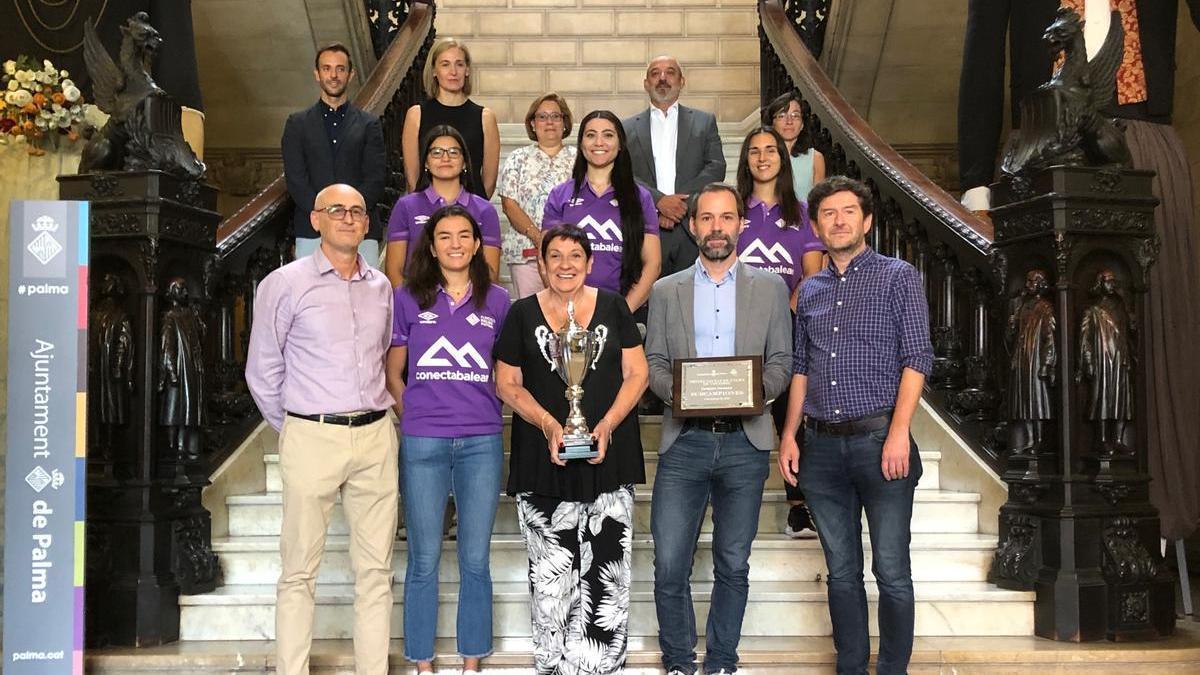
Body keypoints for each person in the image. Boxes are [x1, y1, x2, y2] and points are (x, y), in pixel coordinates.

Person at [957, 0, 1200, 540]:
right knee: (1055, 332)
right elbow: (982, 58)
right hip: (1048, 149)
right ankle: (1064, 512)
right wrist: (976, 184)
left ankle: (1164, 507)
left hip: (1147, 143)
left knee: (1161, 326)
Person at [778, 176, 933, 675]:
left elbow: (917, 359)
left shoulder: (898, 276)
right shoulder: (811, 290)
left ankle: (892, 668)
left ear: (866, 221)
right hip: (821, 450)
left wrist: (897, 433)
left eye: (849, 212)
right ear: (816, 224)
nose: (839, 220)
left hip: (878, 440)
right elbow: (801, 367)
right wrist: (789, 435)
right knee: (841, 572)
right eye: (828, 213)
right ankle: (850, 666)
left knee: (890, 569)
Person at [245, 183, 398, 675]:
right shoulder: (284, 284)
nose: (349, 218)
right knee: (298, 573)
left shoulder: (381, 287)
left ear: (367, 224)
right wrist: (295, 426)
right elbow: (262, 370)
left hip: (375, 436)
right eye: (337, 210)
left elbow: (382, 360)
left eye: (357, 211)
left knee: (375, 573)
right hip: (312, 434)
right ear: (317, 220)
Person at [644, 183, 793, 675]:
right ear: (692, 227)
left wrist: (755, 393)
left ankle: (722, 660)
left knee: (733, 563)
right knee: (669, 564)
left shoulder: (770, 289)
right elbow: (657, 363)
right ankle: (680, 660)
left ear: (740, 225)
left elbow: (781, 362)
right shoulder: (666, 291)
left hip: (744, 443)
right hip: (684, 442)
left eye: (726, 218)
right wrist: (683, 396)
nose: (716, 228)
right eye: (706, 219)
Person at [494, 225, 649, 675]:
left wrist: (605, 425)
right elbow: (506, 383)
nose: (565, 265)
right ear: (541, 264)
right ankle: (554, 669)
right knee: (551, 583)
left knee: (606, 582)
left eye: (575, 256)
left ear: (590, 262)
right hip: (543, 465)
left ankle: (601, 669)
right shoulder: (522, 314)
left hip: (607, 459)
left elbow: (636, 374)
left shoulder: (614, 307)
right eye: (555, 256)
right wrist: (547, 424)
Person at [385, 204, 510, 675]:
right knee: (424, 559)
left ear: (477, 244)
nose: (455, 244)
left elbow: (506, 374)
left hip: (481, 441)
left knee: (476, 559)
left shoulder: (497, 300)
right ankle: (421, 663)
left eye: (464, 235)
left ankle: (471, 662)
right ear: (431, 246)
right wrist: (411, 413)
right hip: (423, 443)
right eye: (444, 236)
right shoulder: (407, 298)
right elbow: (394, 372)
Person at [734, 126, 826, 540]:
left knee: (793, 413)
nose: (763, 157)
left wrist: (781, 314)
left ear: (782, 159)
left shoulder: (803, 212)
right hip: (735, 328)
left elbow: (812, 275)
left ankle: (799, 507)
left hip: (788, 326)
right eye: (754, 151)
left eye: (770, 150)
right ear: (745, 160)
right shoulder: (734, 210)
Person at [542, 110, 661, 316]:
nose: (599, 142)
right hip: (569, 313)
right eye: (590, 135)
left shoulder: (640, 197)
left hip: (624, 310)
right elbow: (545, 259)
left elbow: (653, 263)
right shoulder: (560, 195)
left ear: (620, 143)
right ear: (581, 144)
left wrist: (622, 313)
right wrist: (569, 309)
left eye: (608, 135)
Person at [282, 43, 387, 266]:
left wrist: (350, 215)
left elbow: (376, 179)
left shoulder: (370, 124)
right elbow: (296, 180)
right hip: (312, 230)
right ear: (317, 74)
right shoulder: (297, 124)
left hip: (360, 231)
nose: (334, 75)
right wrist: (325, 217)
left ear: (350, 75)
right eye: (327, 68)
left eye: (340, 69)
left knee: (362, 299)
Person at [623, 55, 726, 278]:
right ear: (646, 83)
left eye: (670, 72)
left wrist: (677, 205)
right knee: (647, 305)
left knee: (692, 304)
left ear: (682, 81)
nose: (662, 78)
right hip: (646, 228)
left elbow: (716, 167)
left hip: (690, 227)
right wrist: (659, 201)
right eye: (655, 73)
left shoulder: (704, 121)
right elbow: (623, 174)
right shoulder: (626, 127)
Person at [385, 125, 501, 287]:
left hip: (470, 306)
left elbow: (490, 274)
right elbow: (394, 270)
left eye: (453, 152)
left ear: (464, 163)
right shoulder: (406, 206)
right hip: (417, 303)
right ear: (426, 162)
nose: (445, 158)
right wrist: (409, 306)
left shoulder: (485, 210)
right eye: (437, 152)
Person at [496, 93, 577, 298]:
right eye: (542, 117)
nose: (549, 122)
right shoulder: (518, 158)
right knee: (533, 317)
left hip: (570, 255)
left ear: (565, 123)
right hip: (527, 254)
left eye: (556, 116)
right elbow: (509, 204)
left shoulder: (580, 159)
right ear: (532, 124)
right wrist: (537, 236)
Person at [402, 37, 500, 198]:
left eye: (459, 64)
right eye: (445, 64)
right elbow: (413, 179)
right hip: (427, 210)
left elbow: (489, 182)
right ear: (434, 71)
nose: (453, 72)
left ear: (467, 70)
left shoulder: (485, 117)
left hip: (472, 210)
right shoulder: (416, 115)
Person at [763, 91, 826, 201]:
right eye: (782, 116)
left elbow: (819, 204)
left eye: (795, 116)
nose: (789, 121)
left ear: (802, 124)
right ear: (772, 123)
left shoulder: (815, 158)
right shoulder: (762, 156)